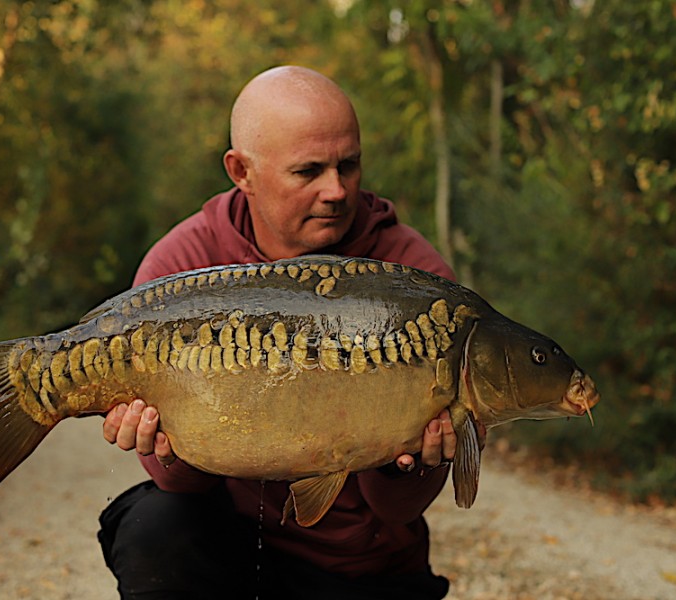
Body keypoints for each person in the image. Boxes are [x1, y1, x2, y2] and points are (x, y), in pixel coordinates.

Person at [97, 65, 461, 600]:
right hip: (226, 548)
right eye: (308, 171)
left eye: (349, 165)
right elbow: (179, 485)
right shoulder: (180, 267)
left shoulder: (418, 284)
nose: (336, 190)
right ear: (241, 170)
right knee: (157, 526)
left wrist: (411, 462)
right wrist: (167, 445)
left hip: (363, 566)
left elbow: (398, 508)